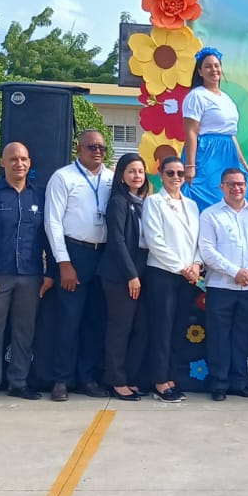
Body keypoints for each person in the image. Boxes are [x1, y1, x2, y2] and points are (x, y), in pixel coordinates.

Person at [0, 142, 52, 405]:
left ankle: (18, 382)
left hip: (30, 275)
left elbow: (49, 236)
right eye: (13, 159)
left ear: (30, 163)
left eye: (24, 159)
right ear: (2, 162)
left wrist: (50, 272)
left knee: (24, 332)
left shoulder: (38, 197)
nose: (19, 163)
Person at [44, 130, 112, 402]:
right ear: (78, 148)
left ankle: (87, 378)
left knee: (94, 321)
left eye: (102, 148)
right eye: (91, 147)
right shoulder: (63, 177)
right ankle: (61, 379)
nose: (97, 152)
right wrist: (63, 262)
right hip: (74, 253)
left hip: (103, 255)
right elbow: (52, 222)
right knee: (69, 320)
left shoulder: (111, 178)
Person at [197, 167, 248, 401]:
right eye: (231, 184)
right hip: (220, 286)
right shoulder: (210, 215)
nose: (236, 188)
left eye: (240, 184)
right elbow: (207, 250)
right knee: (218, 337)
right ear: (222, 187)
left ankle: (239, 382)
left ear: (246, 186)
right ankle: (219, 383)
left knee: (243, 336)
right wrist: (234, 272)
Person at [141, 155, 203, 405]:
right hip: (163, 274)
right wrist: (181, 267)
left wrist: (196, 264)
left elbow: (198, 241)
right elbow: (154, 241)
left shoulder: (192, 205)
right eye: (170, 173)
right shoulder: (154, 202)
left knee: (178, 328)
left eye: (180, 173)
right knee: (162, 329)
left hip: (188, 277)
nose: (176, 177)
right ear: (161, 174)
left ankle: (172, 377)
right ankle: (159, 381)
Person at [100, 153, 149, 402]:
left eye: (140, 171)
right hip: (119, 276)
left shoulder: (143, 203)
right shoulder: (118, 202)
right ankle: (116, 381)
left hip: (139, 273)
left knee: (140, 327)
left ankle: (130, 377)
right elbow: (117, 241)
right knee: (120, 329)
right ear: (121, 175)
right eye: (131, 171)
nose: (137, 175)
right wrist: (131, 275)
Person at [183, 47, 248, 211]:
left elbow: (230, 133)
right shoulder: (197, 96)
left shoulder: (226, 98)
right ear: (200, 71)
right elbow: (191, 131)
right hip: (207, 153)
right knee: (210, 197)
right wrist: (190, 166)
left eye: (216, 65)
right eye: (208, 66)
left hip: (228, 152)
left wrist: (242, 161)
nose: (213, 69)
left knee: (233, 194)